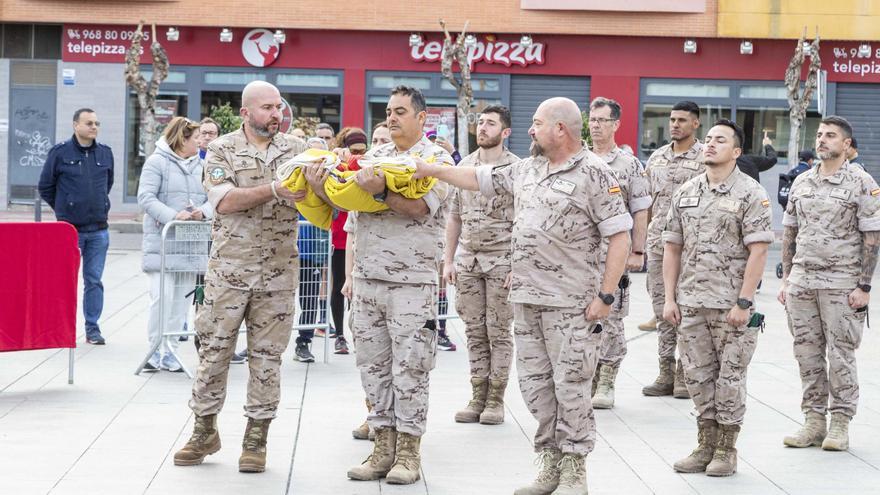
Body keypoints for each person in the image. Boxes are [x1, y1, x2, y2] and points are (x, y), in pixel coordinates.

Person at [414, 97, 632, 495]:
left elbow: (620, 235)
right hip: (526, 301)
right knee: (535, 388)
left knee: (571, 386)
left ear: (560, 129)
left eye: (537, 123)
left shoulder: (595, 174)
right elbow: (478, 178)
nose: (531, 130)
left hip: (571, 305)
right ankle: (549, 464)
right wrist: (432, 170)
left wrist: (606, 294)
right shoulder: (526, 169)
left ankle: (574, 471)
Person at [302, 85, 452, 485]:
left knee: (411, 368)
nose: (391, 117)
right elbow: (345, 201)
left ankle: (408, 452)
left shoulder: (436, 160)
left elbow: (421, 209)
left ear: (422, 118)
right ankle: (382, 446)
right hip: (368, 281)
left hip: (411, 283)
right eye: (388, 110)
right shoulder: (375, 157)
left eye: (400, 111)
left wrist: (381, 191)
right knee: (373, 367)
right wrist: (320, 186)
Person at [173, 81, 307, 473]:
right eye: (267, 108)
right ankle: (204, 430)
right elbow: (223, 200)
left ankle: (256, 437)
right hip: (229, 271)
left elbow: (324, 191)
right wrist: (277, 190)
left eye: (278, 107)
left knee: (267, 358)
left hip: (279, 272)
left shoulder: (297, 150)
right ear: (246, 112)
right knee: (213, 351)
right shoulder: (221, 149)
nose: (275, 114)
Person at [663, 119, 773, 477]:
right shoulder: (687, 191)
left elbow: (758, 252)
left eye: (719, 140)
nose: (709, 144)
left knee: (730, 378)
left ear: (736, 152)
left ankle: (726, 448)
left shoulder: (750, 193)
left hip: (730, 307)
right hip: (691, 302)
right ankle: (705, 444)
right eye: (708, 139)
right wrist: (669, 298)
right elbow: (672, 247)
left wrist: (743, 302)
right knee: (697, 376)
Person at [779, 116, 880, 452]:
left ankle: (840, 422)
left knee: (840, 355)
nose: (822, 140)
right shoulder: (802, 182)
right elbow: (790, 230)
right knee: (806, 354)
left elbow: (872, 235)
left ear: (847, 145)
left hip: (841, 283)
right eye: (820, 134)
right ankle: (813, 420)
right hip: (802, 282)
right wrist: (786, 278)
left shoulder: (862, 183)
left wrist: (864, 286)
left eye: (831, 136)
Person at [444, 105, 519, 425]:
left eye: (491, 124)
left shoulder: (517, 169)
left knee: (498, 331)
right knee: (474, 331)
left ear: (505, 132)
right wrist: (448, 260)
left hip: (503, 260)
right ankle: (477, 394)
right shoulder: (465, 167)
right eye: (481, 123)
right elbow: (454, 215)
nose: (483, 128)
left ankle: (495, 399)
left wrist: (519, 264)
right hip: (469, 260)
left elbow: (525, 221)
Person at [587, 97, 651, 409]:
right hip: (579, 258)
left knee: (610, 319)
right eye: (592, 119)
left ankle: (607, 379)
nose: (596, 125)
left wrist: (638, 250)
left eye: (602, 120)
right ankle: (587, 376)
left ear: (616, 124)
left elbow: (640, 211)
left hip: (613, 255)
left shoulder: (629, 165)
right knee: (580, 318)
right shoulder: (579, 159)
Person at [137, 117, 213, 372]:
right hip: (163, 244)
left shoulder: (202, 166)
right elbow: (146, 197)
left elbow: (215, 198)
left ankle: (170, 352)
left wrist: (202, 211)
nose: (200, 142)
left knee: (181, 302)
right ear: (182, 139)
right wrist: (172, 215)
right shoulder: (156, 162)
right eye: (196, 138)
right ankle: (153, 349)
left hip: (191, 245)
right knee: (161, 297)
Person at [642, 101, 705, 399]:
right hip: (658, 246)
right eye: (672, 119)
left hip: (692, 248)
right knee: (662, 310)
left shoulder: (706, 157)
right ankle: (665, 371)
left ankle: (684, 373)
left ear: (696, 124)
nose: (675, 124)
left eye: (682, 120)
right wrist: (639, 243)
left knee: (689, 312)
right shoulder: (656, 158)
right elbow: (647, 204)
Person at [38, 108, 114, 345]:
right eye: (89, 123)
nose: (94, 127)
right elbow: (45, 187)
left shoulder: (105, 153)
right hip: (69, 231)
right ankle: (60, 327)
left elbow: (107, 184)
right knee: (64, 281)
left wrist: (98, 203)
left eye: (96, 123)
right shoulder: (60, 153)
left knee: (94, 280)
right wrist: (65, 209)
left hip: (99, 230)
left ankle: (92, 328)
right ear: (75, 125)